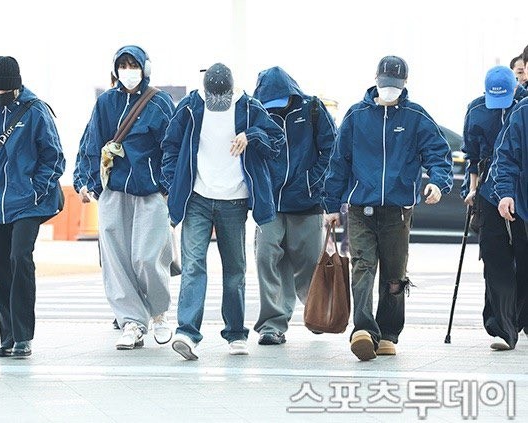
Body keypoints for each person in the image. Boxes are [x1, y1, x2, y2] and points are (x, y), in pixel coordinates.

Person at [323, 55, 453, 361]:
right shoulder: (356, 116)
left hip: (398, 211)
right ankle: (363, 330)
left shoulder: (416, 117)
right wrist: (331, 205)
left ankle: (388, 333)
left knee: (395, 276)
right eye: (385, 84)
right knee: (362, 267)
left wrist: (438, 183)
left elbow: (438, 154)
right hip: (361, 209)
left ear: (405, 83)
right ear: (376, 80)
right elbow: (338, 162)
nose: (389, 89)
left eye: (395, 84)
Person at [161, 63, 284, 360]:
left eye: (223, 98)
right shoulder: (190, 107)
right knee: (193, 267)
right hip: (197, 199)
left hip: (235, 201)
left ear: (232, 89)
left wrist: (251, 135)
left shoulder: (249, 107)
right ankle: (187, 333)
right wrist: (173, 183)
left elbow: (276, 142)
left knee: (235, 270)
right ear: (204, 91)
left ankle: (236, 333)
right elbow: (170, 146)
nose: (218, 103)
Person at [73, 45, 175, 350]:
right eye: (123, 65)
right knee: (116, 261)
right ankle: (132, 322)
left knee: (147, 257)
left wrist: (166, 186)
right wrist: (87, 182)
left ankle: (159, 313)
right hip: (114, 190)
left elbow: (172, 146)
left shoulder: (159, 102)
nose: (128, 71)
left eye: (134, 65)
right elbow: (91, 143)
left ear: (145, 68)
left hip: (150, 191)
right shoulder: (106, 102)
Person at [0, 56, 65, 358]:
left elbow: (53, 156)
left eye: (4, 90)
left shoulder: (35, 112)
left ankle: (23, 336)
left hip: (28, 204)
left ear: (16, 85)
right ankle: (7, 336)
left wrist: (36, 190)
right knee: (1, 268)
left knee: (20, 257)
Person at [251, 66, 337, 345]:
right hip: (269, 204)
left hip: (306, 201)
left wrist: (313, 182)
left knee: (309, 262)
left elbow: (331, 149)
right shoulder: (254, 111)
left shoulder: (312, 109)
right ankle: (272, 325)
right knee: (267, 259)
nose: (275, 108)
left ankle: (315, 311)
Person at [485, 68, 528, 345]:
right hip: (521, 205)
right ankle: (508, 325)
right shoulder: (523, 111)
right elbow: (506, 157)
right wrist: (505, 193)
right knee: (516, 264)